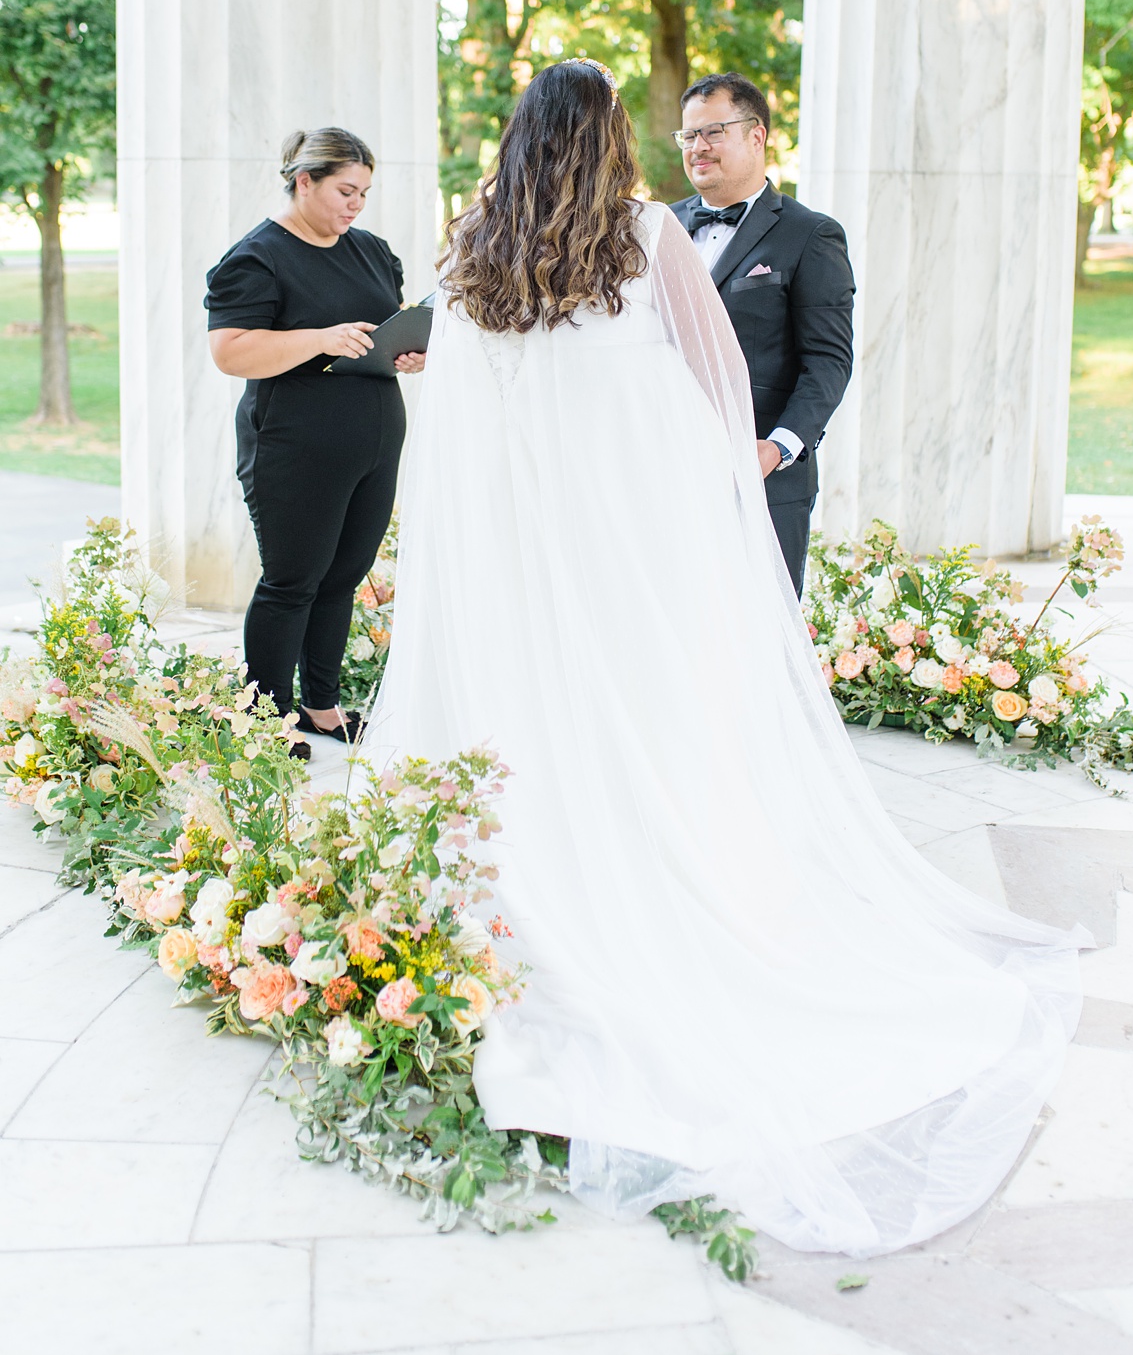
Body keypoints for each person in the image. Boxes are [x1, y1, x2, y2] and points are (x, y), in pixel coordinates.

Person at [364, 61, 1081, 1253]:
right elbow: (716, 394)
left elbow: (449, 422)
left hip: (522, 569)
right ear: (606, 139)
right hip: (634, 559)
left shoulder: (472, 251)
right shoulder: (646, 237)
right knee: (652, 735)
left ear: (516, 136)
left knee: (539, 737)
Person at [204, 128, 424, 748]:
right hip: (293, 446)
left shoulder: (372, 251)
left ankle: (321, 706)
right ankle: (264, 720)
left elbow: (379, 328)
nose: (356, 205)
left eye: (364, 193)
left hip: (374, 442)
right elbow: (231, 351)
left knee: (343, 577)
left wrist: (404, 351)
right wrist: (320, 338)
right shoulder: (257, 257)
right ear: (304, 181)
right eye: (345, 191)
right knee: (292, 580)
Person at [667, 72, 853, 592]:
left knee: (764, 647)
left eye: (713, 132)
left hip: (763, 480)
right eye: (688, 136)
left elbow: (829, 362)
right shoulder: (661, 229)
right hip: (667, 470)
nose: (697, 148)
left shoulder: (810, 235)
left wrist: (776, 447)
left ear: (757, 135)